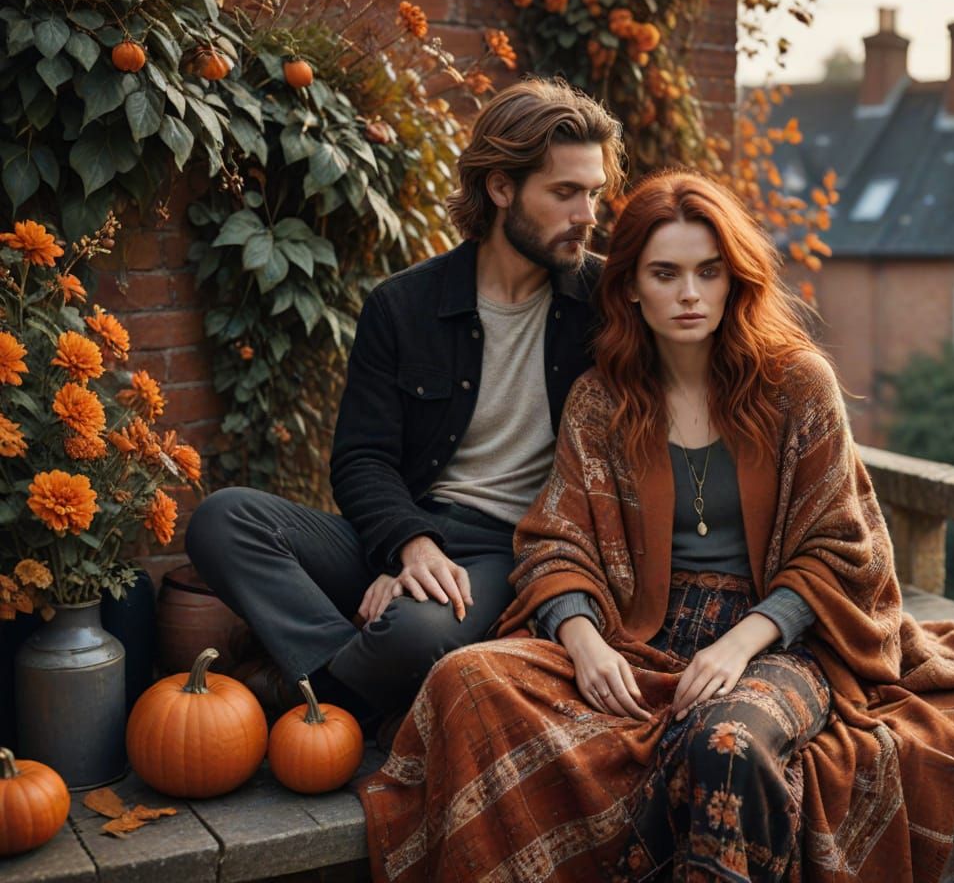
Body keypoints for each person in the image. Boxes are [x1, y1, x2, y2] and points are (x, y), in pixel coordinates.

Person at [357, 171, 954, 883]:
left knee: (727, 743)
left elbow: (842, 546)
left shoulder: (796, 384)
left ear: (735, 277)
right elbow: (556, 542)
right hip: (636, 633)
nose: (690, 293)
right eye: (665, 274)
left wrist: (740, 641)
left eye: (708, 271)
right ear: (630, 289)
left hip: (782, 639)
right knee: (466, 676)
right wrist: (583, 640)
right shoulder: (602, 400)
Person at [184, 78, 625, 724]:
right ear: (502, 189)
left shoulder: (605, 302)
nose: (587, 214)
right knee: (224, 520)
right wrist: (408, 548)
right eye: (565, 193)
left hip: (508, 549)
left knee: (418, 633)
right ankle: (348, 687)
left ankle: (312, 694)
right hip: (407, 525)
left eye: (592, 192)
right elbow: (362, 459)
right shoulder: (404, 304)